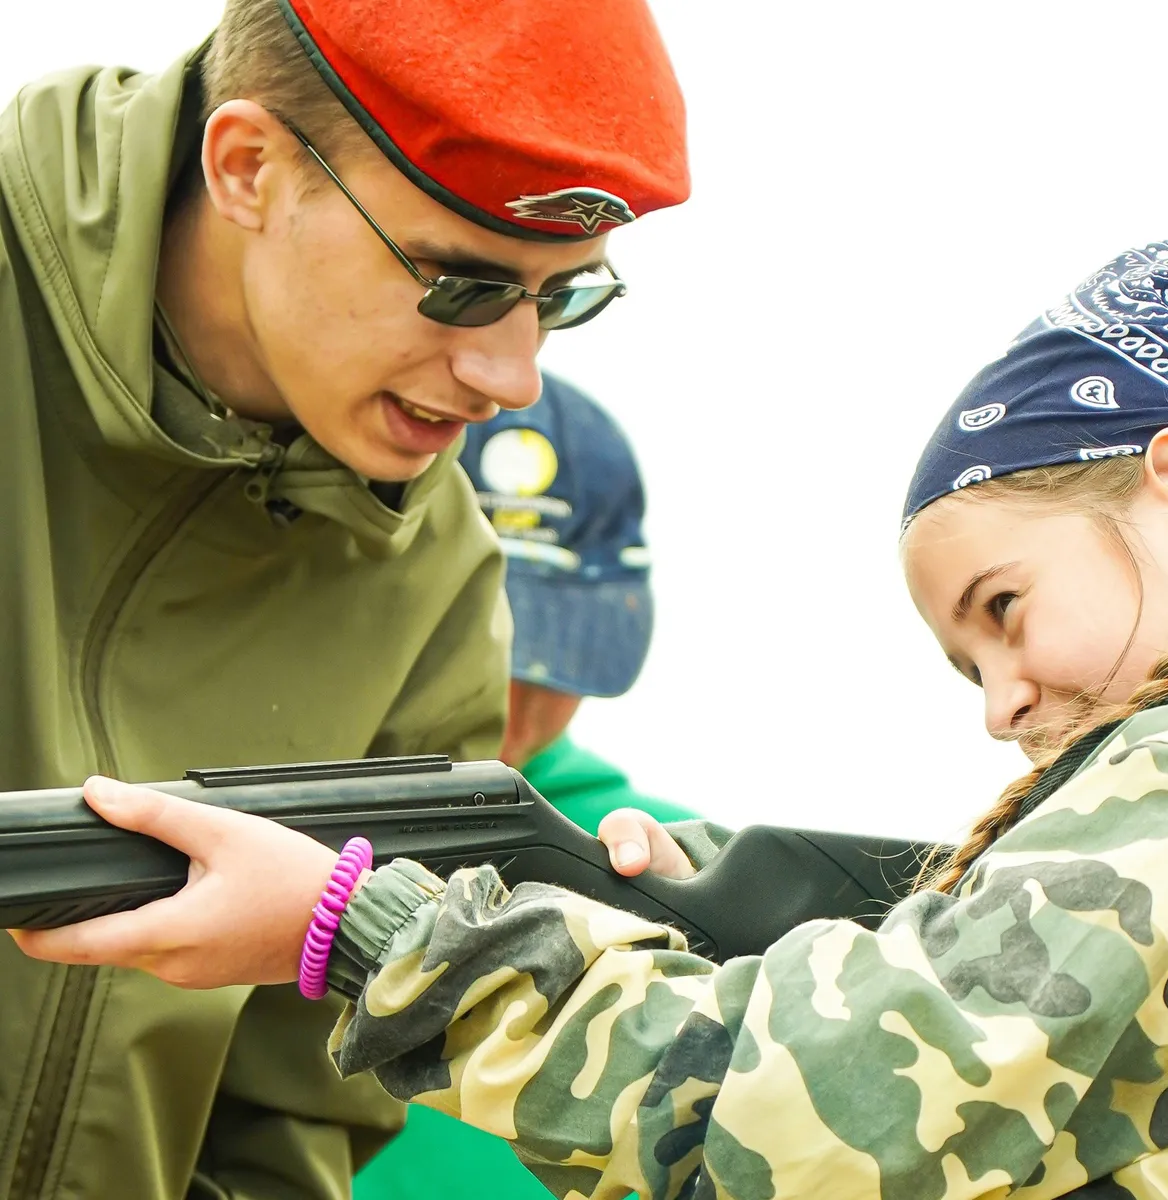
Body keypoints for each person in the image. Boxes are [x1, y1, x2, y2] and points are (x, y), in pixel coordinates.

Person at [17, 240, 1168, 1198]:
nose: (1004, 707)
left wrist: (357, 933)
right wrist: (710, 912)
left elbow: (780, 1124)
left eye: (1001, 611)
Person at [0, 0, 687, 1193]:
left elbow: (291, 1118)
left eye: (564, 295)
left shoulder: (437, 577)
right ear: (247, 167)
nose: (513, 376)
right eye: (463, 285)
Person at [354, 373, 700, 1200]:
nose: (503, 691)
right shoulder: (239, 836)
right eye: (466, 637)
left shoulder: (684, 873)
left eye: (549, 650)